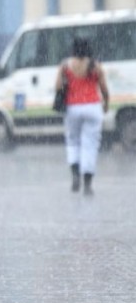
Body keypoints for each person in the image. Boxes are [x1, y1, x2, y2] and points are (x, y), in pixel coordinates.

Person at [54, 38, 110, 196]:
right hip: (92, 107)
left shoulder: (65, 65)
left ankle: (75, 176)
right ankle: (87, 183)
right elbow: (104, 89)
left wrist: (67, 84)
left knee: (73, 142)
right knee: (90, 144)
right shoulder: (95, 66)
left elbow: (57, 87)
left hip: (73, 107)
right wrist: (106, 103)